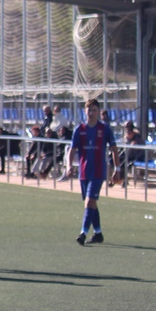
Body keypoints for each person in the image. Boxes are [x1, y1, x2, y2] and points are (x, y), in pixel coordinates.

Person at [68, 98, 120, 245]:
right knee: (91, 204)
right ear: (85, 112)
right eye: (89, 110)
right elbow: (72, 150)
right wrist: (69, 165)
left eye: (94, 110)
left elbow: (114, 149)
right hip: (84, 172)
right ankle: (98, 233)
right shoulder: (80, 130)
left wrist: (117, 168)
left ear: (98, 112)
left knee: (90, 201)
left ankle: (83, 233)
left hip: (98, 172)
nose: (91, 113)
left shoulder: (104, 129)